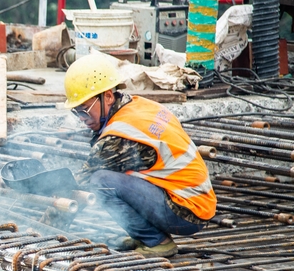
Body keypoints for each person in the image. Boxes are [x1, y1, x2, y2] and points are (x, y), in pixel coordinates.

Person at [61, 54, 216, 258]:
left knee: (100, 182)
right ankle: (144, 236)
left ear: (108, 96)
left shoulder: (118, 136)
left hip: (186, 211)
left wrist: (48, 225)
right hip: (195, 200)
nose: (82, 119)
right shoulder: (136, 105)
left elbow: (79, 183)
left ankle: (156, 242)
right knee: (116, 177)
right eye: (77, 112)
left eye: (85, 110)